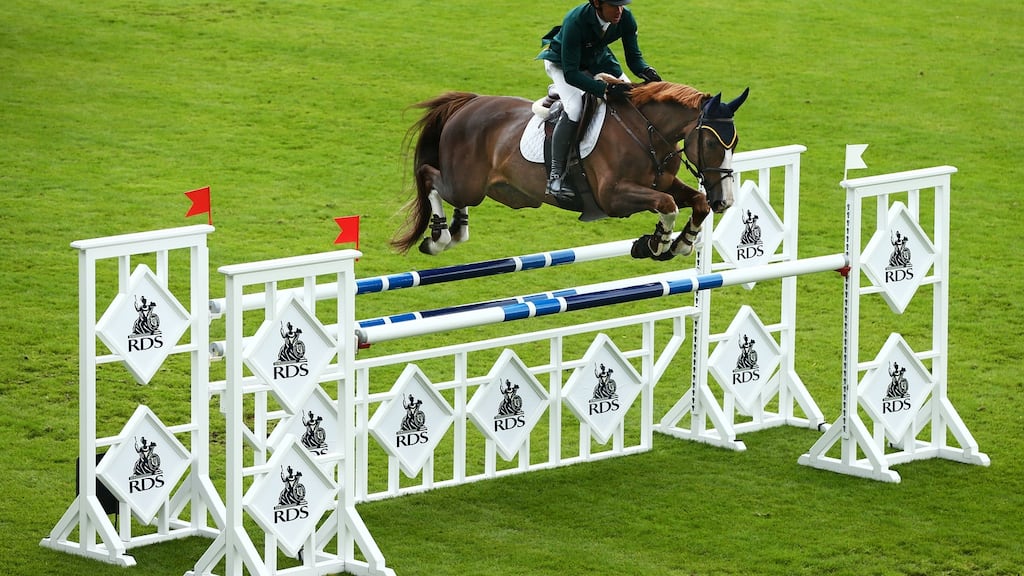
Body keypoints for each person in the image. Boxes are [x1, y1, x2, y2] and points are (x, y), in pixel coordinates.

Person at [537, 0, 662, 208]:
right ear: (597, 3)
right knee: (575, 108)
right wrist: (605, 89)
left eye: (622, 5)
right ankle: (556, 175)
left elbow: (634, 59)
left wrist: (646, 71)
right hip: (563, 63)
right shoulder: (575, 21)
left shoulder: (626, 18)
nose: (619, 11)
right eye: (614, 6)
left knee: (631, 101)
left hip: (598, 58)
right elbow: (571, 73)